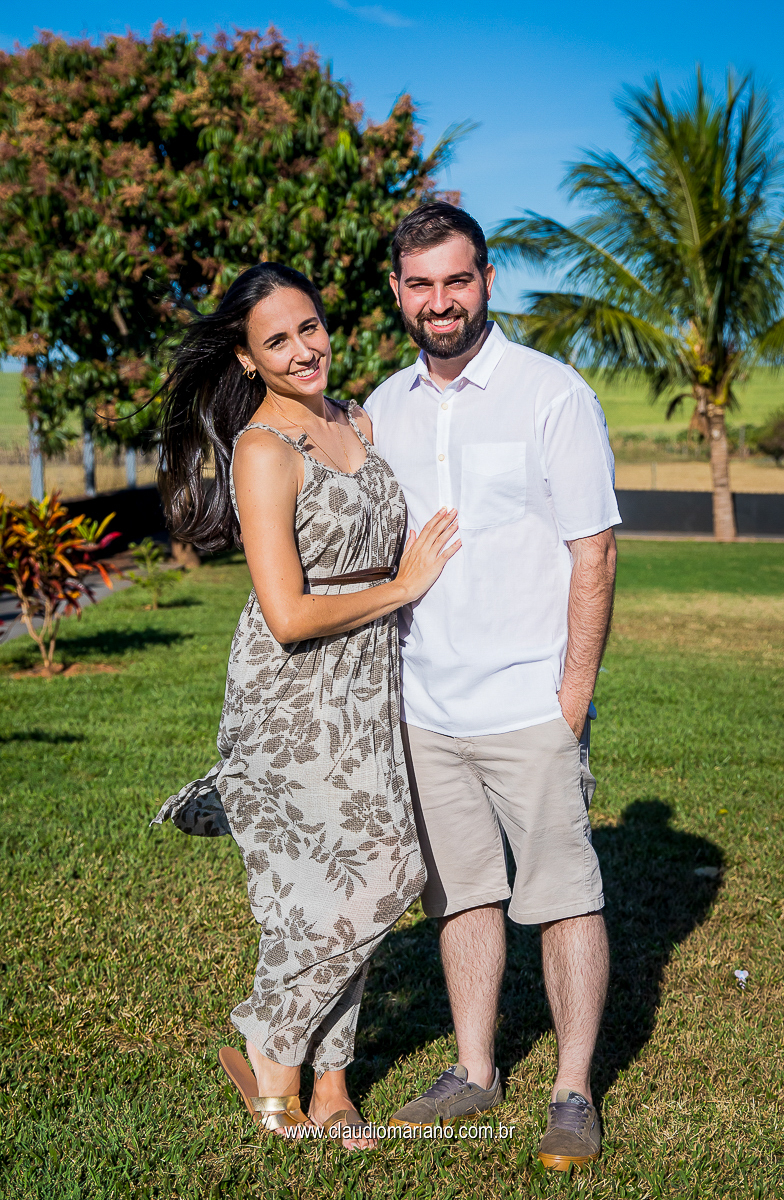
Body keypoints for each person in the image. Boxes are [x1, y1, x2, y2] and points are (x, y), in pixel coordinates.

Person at [151, 262, 460, 1149]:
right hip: (292, 695)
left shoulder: (357, 420)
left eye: (310, 327)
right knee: (374, 876)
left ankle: (331, 1085)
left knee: (341, 883)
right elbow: (285, 614)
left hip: (368, 682)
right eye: (277, 341)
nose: (301, 350)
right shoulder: (262, 450)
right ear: (247, 360)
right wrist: (402, 588)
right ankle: (275, 1044)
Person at [364, 202, 620, 1170]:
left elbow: (593, 551)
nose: (440, 302)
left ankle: (572, 1090)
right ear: (398, 292)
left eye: (456, 280)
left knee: (564, 896)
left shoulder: (550, 394)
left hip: (528, 707)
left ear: (486, 280)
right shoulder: (383, 407)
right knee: (461, 895)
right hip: (425, 709)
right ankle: (474, 1070)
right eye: (420, 284)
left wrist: (569, 699)